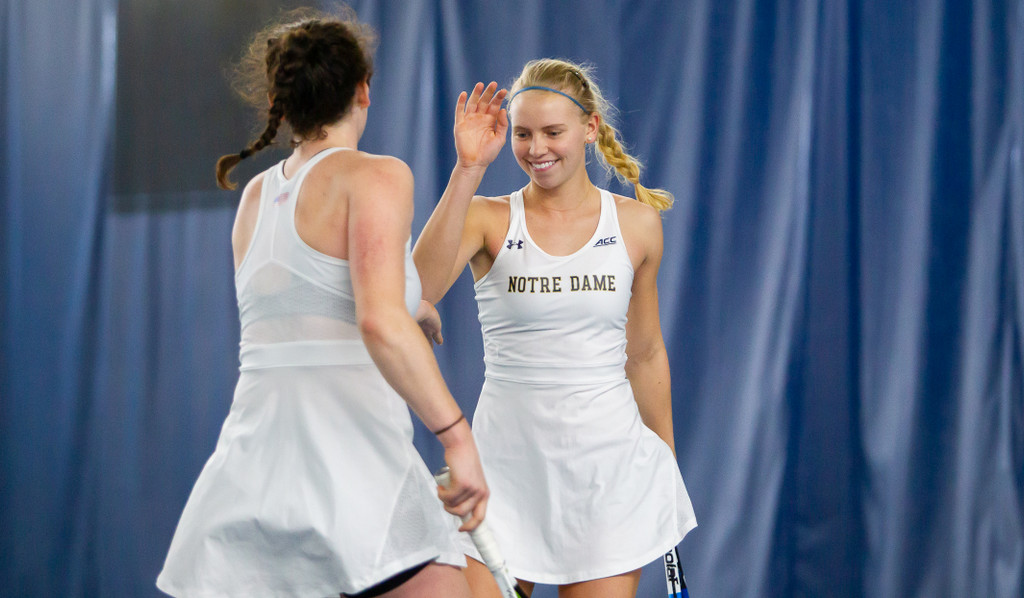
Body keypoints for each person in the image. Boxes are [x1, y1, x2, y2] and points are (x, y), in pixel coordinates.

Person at [155, 7, 495, 597]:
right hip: (351, 475)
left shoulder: (256, 198)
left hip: (252, 481)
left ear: (281, 100)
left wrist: (412, 304)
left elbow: (308, 308)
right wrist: (457, 438)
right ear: (363, 90)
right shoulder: (376, 176)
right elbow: (376, 319)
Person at [413, 59, 697, 597]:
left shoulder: (637, 225)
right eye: (522, 134)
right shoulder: (485, 216)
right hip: (503, 471)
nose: (536, 148)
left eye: (552, 132)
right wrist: (467, 168)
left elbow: (645, 353)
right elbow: (415, 292)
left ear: (589, 129)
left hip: (607, 476)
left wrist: (666, 458)